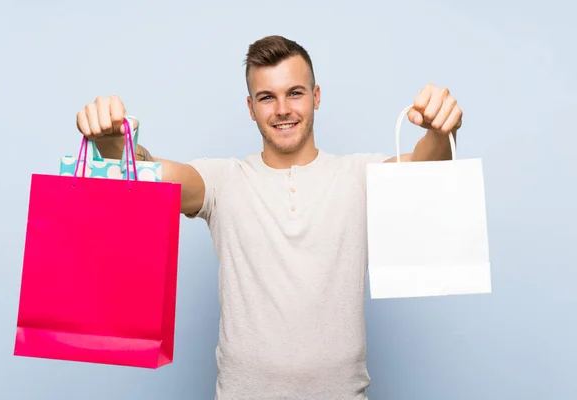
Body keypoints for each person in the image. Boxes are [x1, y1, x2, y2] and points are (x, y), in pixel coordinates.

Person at [75, 35, 463, 400]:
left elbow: (427, 166)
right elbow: (152, 175)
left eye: (294, 93)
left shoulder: (358, 174)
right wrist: (111, 142)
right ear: (250, 107)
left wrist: (439, 129)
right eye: (267, 97)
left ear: (316, 96)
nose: (282, 110)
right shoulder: (223, 179)